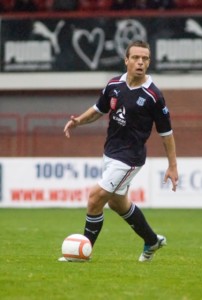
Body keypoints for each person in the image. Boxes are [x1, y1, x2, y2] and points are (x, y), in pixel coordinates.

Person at [61, 40, 178, 262]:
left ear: (149, 62)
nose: (140, 62)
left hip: (130, 158)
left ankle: (81, 253)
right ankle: (152, 241)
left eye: (145, 58)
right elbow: (98, 109)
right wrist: (78, 121)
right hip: (111, 153)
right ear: (126, 60)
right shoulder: (114, 85)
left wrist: (172, 166)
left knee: (95, 198)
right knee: (117, 202)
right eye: (136, 57)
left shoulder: (154, 96)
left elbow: (167, 134)